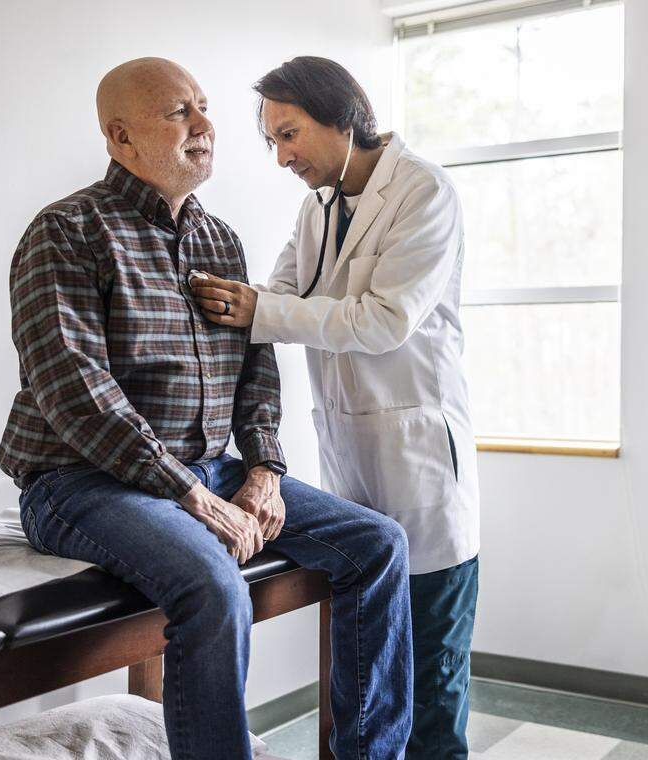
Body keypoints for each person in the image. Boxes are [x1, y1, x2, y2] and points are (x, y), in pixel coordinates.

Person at [0, 57, 413, 760]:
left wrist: (263, 470)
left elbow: (255, 364)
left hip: (207, 469)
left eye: (203, 108)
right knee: (214, 585)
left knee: (378, 547)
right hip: (76, 482)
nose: (204, 126)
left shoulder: (217, 238)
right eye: (178, 113)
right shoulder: (65, 232)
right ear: (121, 139)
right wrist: (189, 491)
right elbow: (75, 391)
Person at [190, 56, 479, 760]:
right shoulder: (318, 207)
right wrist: (220, 305)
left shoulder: (423, 191)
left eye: (290, 134)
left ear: (343, 113)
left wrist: (261, 310)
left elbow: (384, 320)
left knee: (431, 675)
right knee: (376, 661)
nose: (282, 156)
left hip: (419, 461)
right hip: (351, 451)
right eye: (272, 142)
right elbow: (277, 297)